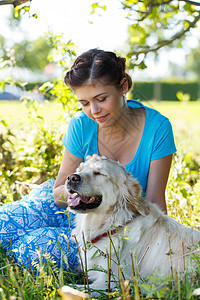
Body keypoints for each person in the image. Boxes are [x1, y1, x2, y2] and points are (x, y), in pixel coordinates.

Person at [0, 48, 176, 271]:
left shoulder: (157, 128)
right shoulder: (81, 124)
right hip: (67, 205)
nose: (93, 111)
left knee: (31, 248)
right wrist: (85, 187)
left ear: (123, 86)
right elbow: (58, 194)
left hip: (114, 225)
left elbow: (154, 204)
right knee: (2, 225)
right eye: (84, 103)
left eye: (101, 99)